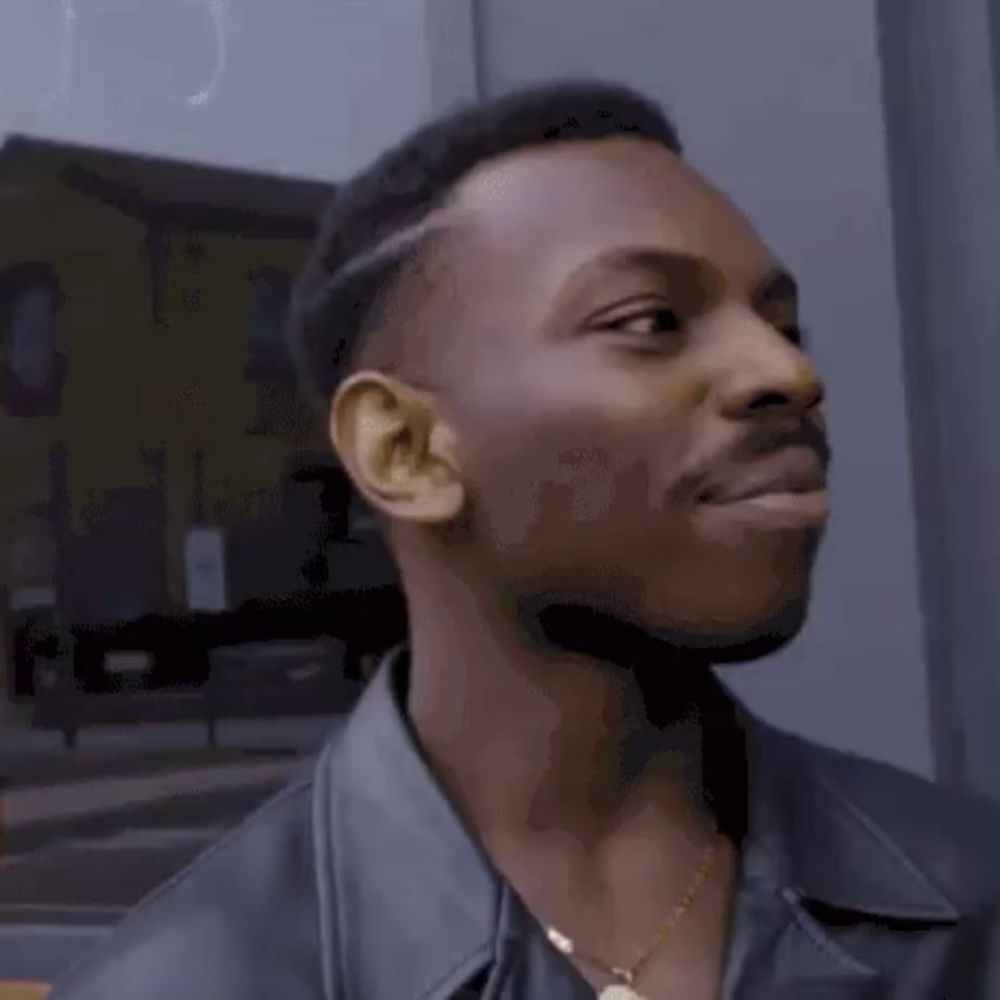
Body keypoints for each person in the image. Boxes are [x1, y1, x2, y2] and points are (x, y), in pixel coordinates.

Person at [51, 80, 1000, 1000]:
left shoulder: (973, 904)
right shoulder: (192, 983)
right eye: (650, 322)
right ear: (407, 450)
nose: (787, 370)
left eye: (782, 323)